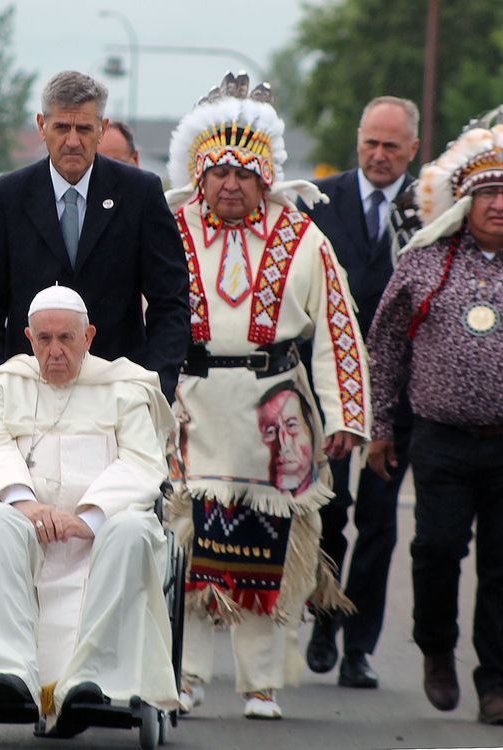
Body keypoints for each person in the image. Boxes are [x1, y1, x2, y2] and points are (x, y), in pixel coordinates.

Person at [162, 72, 370, 720]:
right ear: (200, 174)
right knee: (190, 548)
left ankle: (259, 685)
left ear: (265, 177)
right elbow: (138, 316)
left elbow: (338, 332)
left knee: (267, 549)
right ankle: (189, 675)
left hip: (274, 412)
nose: (230, 182)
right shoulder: (171, 229)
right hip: (191, 407)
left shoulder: (305, 238)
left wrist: (346, 417)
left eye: (243, 172)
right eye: (218, 171)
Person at [0, 285, 178, 737]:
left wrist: (90, 517)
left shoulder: (127, 387)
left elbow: (143, 462)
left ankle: (92, 681)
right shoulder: (5, 383)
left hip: (103, 534)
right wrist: (27, 504)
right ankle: (7, 675)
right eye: (44, 340)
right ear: (29, 338)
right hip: (28, 530)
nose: (55, 351)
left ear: (89, 336)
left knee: (135, 530)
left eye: (66, 339)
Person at [365, 120, 503, 726]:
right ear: (466, 200)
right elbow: (386, 345)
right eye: (488, 194)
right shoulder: (426, 263)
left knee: (502, 566)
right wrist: (380, 426)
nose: (499, 205)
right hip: (440, 438)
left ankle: (496, 681)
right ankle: (436, 646)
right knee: (438, 548)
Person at [0, 70, 189, 403]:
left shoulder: (140, 194)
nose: (72, 141)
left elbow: (171, 303)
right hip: (26, 396)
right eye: (61, 128)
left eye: (83, 128)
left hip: (120, 395)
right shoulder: (5, 197)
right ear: (42, 126)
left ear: (102, 129)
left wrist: (155, 387)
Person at [299, 96, 420, 688]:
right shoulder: (323, 203)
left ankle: (359, 648)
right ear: (358, 139)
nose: (378, 155)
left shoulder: (430, 212)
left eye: (391, 146)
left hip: (397, 396)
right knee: (329, 511)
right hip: (327, 390)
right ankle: (324, 620)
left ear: (412, 151)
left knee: (379, 521)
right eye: (370, 142)